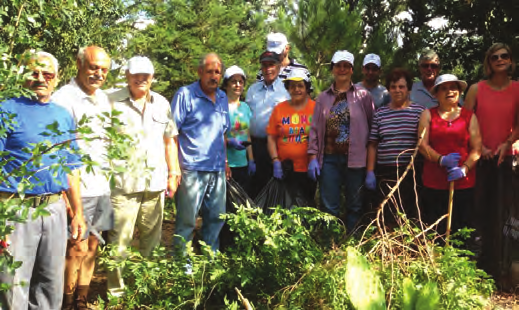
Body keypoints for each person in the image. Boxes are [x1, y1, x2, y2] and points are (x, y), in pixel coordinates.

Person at [0, 51, 86, 310]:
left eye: (47, 74)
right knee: (13, 282)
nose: (40, 78)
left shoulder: (62, 115)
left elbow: (71, 166)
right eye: (33, 72)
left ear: (56, 78)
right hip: (16, 207)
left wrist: (78, 212)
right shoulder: (6, 110)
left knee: (50, 282)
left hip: (54, 209)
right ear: (22, 75)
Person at [107, 56, 180, 297]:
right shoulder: (110, 101)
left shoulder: (161, 103)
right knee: (119, 243)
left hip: (155, 184)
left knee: (152, 241)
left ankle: (146, 289)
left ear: (152, 77)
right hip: (122, 185)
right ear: (127, 75)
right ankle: (116, 294)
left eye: (146, 75)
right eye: (136, 74)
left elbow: (169, 141)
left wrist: (174, 172)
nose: (141, 79)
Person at [52, 45, 113, 310]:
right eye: (93, 67)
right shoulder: (63, 99)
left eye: (103, 69)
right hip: (77, 187)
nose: (98, 74)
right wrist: (65, 195)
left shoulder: (104, 99)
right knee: (74, 248)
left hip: (101, 185)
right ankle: (65, 302)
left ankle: (82, 299)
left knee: (92, 245)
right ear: (79, 65)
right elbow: (57, 150)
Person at [464, 43, 519, 283]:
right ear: (489, 62)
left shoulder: (517, 89)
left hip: (507, 161)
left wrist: (509, 142)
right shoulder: (477, 89)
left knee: (506, 214)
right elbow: (464, 121)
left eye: (504, 56)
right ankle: (477, 270)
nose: (500, 60)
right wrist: (480, 147)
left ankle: (503, 270)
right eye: (494, 56)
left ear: (510, 60)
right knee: (479, 212)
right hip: (481, 159)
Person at [307, 50, 374, 232]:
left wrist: (370, 168)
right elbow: (314, 129)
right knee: (329, 207)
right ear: (332, 69)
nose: (342, 69)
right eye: (338, 66)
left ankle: (352, 243)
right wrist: (313, 157)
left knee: (355, 206)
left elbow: (372, 127)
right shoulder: (323, 98)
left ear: (352, 70)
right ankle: (330, 245)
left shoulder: (363, 96)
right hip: (329, 159)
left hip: (356, 160)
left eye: (346, 66)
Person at [171, 53, 229, 253]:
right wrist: (174, 168)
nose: (214, 76)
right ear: (200, 72)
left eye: (218, 72)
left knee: (216, 219)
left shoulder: (222, 97)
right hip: (191, 169)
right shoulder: (185, 95)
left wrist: (226, 163)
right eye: (210, 72)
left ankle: (209, 264)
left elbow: (222, 133)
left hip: (217, 170)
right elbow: (171, 133)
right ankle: (183, 270)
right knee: (186, 222)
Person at [418, 74, 481, 235]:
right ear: (436, 94)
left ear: (459, 92)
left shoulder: (469, 116)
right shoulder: (428, 115)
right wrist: (441, 159)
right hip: (434, 182)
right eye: (444, 89)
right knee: (436, 228)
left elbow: (476, 149)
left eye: (453, 88)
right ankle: (437, 259)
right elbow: (422, 145)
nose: (449, 92)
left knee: (462, 227)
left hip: (463, 183)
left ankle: (461, 259)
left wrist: (464, 169)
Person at [365, 68, 424, 219]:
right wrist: (370, 171)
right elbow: (373, 144)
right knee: (387, 211)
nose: (397, 90)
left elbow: (424, 142)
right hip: (385, 171)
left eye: (401, 86)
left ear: (409, 89)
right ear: (388, 89)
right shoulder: (380, 113)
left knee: (408, 213)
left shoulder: (420, 112)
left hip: (410, 172)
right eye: (393, 87)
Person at [266, 68, 316, 206]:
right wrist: (275, 160)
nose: (296, 89)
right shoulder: (279, 109)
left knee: (307, 208)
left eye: (300, 85)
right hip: (286, 169)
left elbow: (320, 136)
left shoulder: (316, 108)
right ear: (287, 88)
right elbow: (271, 137)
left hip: (308, 170)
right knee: (286, 208)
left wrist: (315, 160)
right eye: (292, 86)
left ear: (307, 88)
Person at [246, 51, 290, 198]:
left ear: (278, 67)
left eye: (271, 65)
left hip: (276, 147)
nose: (268, 69)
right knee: (254, 187)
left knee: (274, 190)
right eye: (264, 65)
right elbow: (245, 117)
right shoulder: (252, 90)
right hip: (254, 146)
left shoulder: (286, 91)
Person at [222, 65, 255, 194]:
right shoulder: (221, 107)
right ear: (226, 85)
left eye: (240, 82)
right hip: (227, 164)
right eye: (233, 82)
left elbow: (247, 135)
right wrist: (229, 142)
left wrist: (251, 159)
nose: (237, 85)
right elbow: (217, 135)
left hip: (243, 163)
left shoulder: (245, 107)